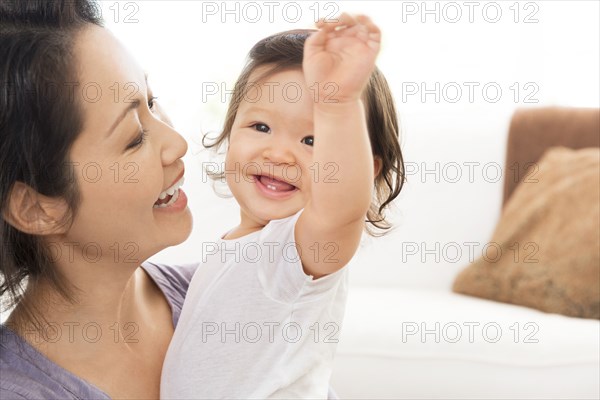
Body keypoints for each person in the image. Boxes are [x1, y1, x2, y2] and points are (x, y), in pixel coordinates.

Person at [161, 16, 405, 399]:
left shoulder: (294, 251)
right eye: (260, 127)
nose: (278, 152)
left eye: (312, 139)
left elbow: (339, 208)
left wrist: (338, 102)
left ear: (364, 170)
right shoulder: (240, 245)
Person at [0, 1, 195, 398]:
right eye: (134, 137)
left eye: (152, 101)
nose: (177, 143)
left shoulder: (217, 297)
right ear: (36, 208)